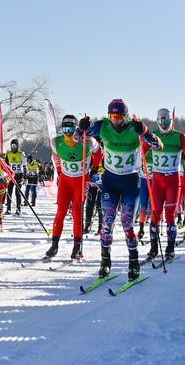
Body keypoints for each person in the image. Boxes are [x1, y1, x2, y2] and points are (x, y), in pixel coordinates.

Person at [76, 100, 161, 280]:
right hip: (110, 180)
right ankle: (105, 262)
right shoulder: (102, 126)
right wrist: (80, 128)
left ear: (126, 116)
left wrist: (144, 131)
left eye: (119, 116)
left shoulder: (134, 128)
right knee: (107, 224)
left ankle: (134, 263)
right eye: (112, 116)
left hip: (131, 181)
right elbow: (78, 138)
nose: (115, 120)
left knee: (127, 224)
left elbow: (158, 145)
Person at [46, 114, 103, 261]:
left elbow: (99, 153)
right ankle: (54, 244)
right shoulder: (56, 142)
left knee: (77, 211)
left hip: (81, 180)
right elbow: (55, 157)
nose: (68, 132)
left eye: (71, 128)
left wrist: (95, 169)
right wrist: (59, 172)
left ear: (76, 128)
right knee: (60, 211)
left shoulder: (88, 141)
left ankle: (77, 247)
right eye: (65, 128)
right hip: (66, 180)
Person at [143, 107, 185, 262]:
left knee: (170, 214)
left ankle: (170, 248)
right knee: (155, 214)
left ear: (171, 121)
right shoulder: (153, 136)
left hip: (173, 180)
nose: (163, 124)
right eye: (161, 120)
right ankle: (153, 248)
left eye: (166, 120)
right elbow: (140, 152)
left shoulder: (180, 137)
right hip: (157, 181)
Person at [4, 139, 27, 215]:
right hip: (11, 175)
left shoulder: (21, 154)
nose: (13, 147)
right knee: (9, 192)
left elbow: (24, 166)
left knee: (18, 193)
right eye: (12, 146)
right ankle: (8, 209)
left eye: (15, 146)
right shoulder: (8, 154)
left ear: (17, 146)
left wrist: (25, 177)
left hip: (19, 176)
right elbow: (5, 165)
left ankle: (18, 209)